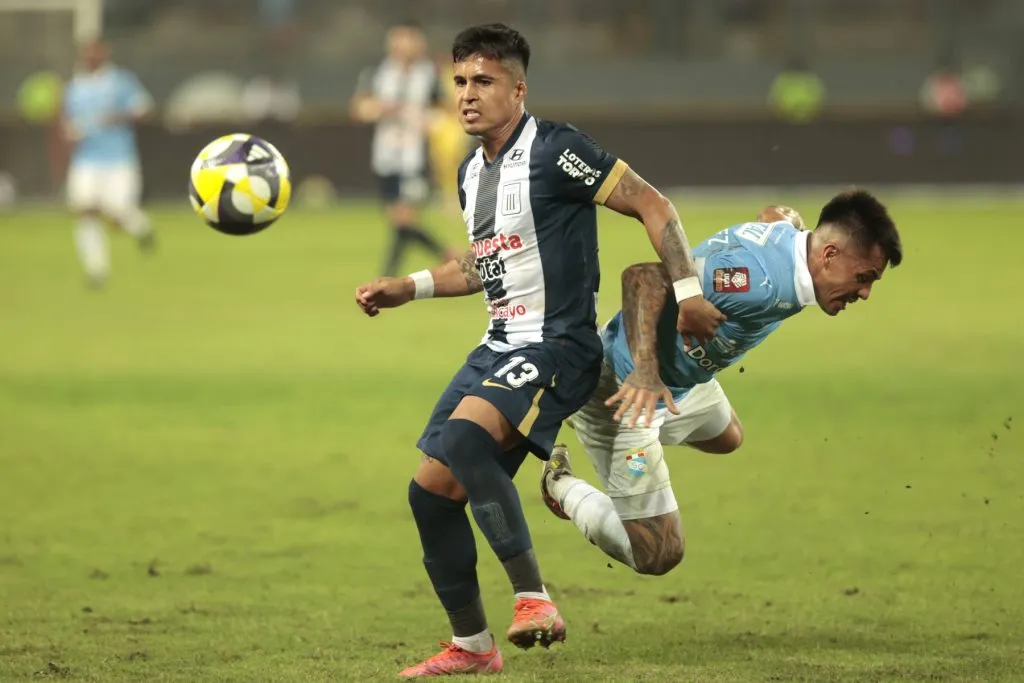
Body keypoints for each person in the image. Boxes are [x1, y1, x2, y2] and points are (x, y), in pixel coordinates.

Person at [354, 22, 725, 679]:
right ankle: (472, 646)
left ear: (518, 89)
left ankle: (534, 599)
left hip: (561, 343)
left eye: (484, 81)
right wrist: (406, 286)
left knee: (467, 443)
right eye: (460, 81)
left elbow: (651, 202)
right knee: (430, 493)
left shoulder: (557, 150)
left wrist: (688, 289)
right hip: (497, 345)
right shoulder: (473, 172)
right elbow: (482, 266)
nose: (467, 94)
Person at [540, 192, 903, 577]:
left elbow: (775, 215)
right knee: (658, 553)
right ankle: (562, 481)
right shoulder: (756, 282)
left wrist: (786, 219)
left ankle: (610, 438)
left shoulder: (791, 239)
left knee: (727, 436)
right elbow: (643, 278)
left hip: (681, 384)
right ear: (828, 255)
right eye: (863, 278)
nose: (864, 293)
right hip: (629, 392)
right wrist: (645, 371)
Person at [350, 21, 456, 276]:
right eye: (399, 39)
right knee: (400, 222)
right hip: (385, 156)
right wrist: (376, 109)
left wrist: (432, 120)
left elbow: (447, 108)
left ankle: (387, 276)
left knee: (403, 219)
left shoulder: (429, 74)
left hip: (415, 157)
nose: (404, 45)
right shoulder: (377, 72)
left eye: (410, 39)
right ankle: (449, 255)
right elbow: (358, 108)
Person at [58, 39, 155, 288]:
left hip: (119, 158)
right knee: (85, 211)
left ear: (104, 53)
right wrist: (69, 136)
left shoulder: (120, 81)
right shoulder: (74, 87)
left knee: (117, 214)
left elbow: (144, 109)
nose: (90, 56)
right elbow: (67, 122)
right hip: (86, 159)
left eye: (95, 51)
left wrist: (118, 117)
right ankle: (97, 270)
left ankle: (141, 227)